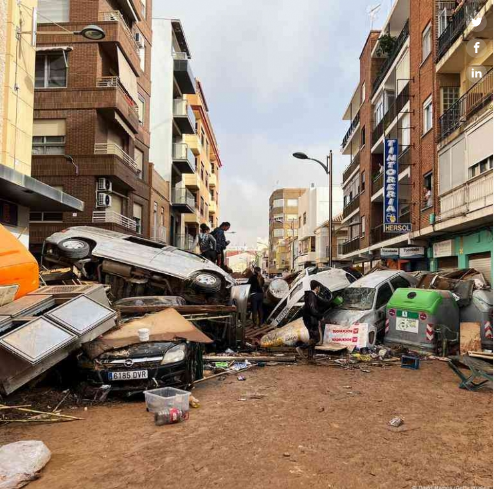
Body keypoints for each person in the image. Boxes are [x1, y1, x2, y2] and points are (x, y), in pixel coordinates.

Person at [298, 280, 332, 363]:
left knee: (312, 338)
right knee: (316, 338)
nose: (320, 289)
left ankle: (310, 357)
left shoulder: (311, 295)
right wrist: (320, 316)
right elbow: (312, 309)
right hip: (311, 319)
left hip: (309, 318)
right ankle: (301, 348)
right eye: (319, 287)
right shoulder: (311, 296)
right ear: (317, 287)